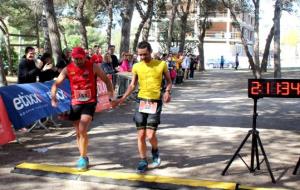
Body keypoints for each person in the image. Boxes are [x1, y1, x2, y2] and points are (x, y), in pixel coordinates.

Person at [51, 47, 114, 171]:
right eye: (75, 59)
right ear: (72, 58)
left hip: (89, 102)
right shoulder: (67, 69)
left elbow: (106, 80)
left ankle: (83, 156)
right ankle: (83, 157)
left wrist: (110, 93)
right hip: (75, 102)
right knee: (78, 132)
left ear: (85, 57)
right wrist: (53, 98)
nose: (78, 61)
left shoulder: (93, 66)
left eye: (80, 58)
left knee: (83, 128)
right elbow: (55, 84)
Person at [114, 41, 172, 173]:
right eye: (140, 55)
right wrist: (122, 98)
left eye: (145, 54)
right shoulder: (136, 66)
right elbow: (132, 85)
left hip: (155, 102)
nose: (142, 57)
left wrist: (168, 92)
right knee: (140, 135)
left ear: (150, 52)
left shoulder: (161, 64)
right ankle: (143, 160)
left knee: (150, 135)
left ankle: (155, 151)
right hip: (141, 102)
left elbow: (169, 81)